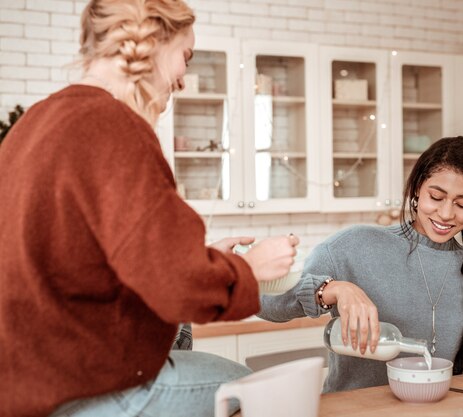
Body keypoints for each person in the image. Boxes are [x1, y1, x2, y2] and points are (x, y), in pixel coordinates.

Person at [0, 1, 300, 416]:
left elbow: (95, 259)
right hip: (92, 386)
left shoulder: (35, 123)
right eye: (185, 56)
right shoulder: (115, 127)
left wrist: (205, 260)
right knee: (270, 391)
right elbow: (176, 284)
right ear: (152, 42)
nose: (182, 79)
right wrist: (250, 269)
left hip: (29, 387)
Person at [259, 136, 463, 393]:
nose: (447, 213)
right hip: (355, 411)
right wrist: (332, 289)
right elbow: (263, 302)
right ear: (417, 188)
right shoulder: (354, 245)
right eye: (436, 197)